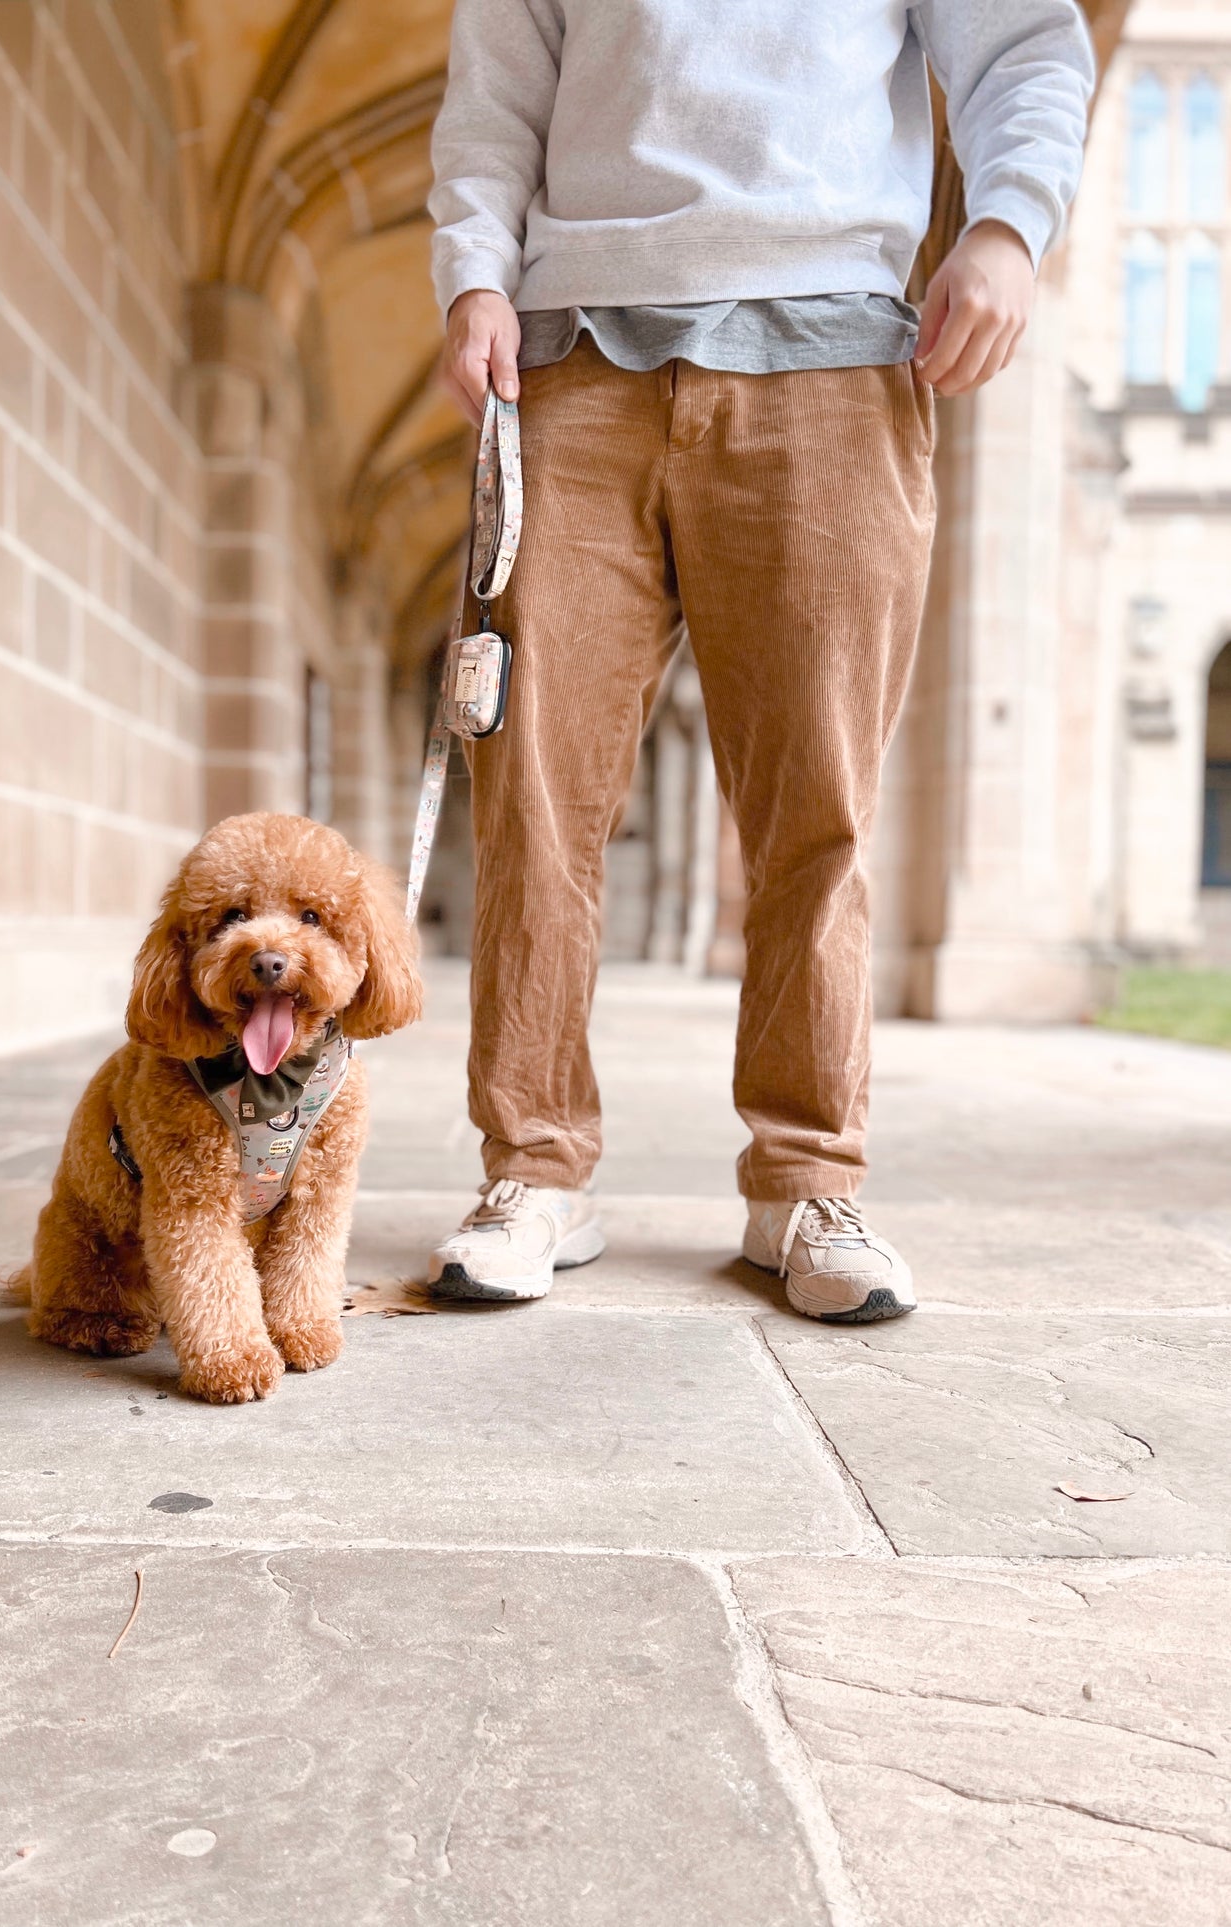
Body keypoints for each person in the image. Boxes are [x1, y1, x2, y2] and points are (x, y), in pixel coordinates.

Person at [423, 0, 1094, 1319]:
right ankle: (534, 1171)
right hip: (570, 365)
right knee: (534, 795)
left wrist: (1007, 229)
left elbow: (1025, 46)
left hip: (835, 358)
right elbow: (495, 93)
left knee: (815, 810)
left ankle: (803, 1181)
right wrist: (473, 274)